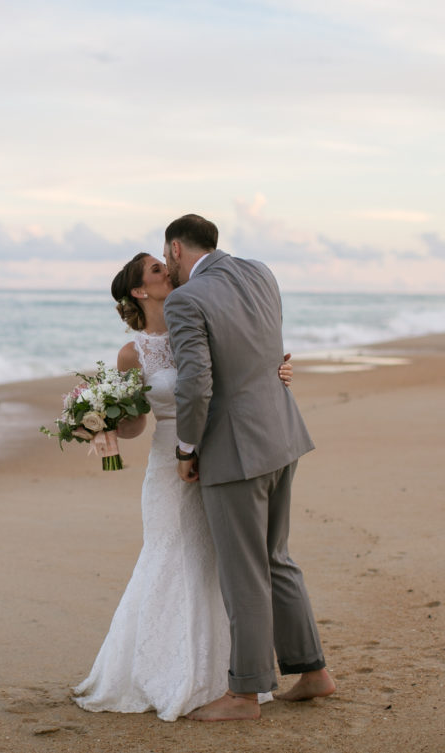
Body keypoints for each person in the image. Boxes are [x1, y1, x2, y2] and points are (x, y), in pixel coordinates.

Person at [72, 252, 294, 721]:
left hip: (215, 454)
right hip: (166, 464)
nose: (167, 272)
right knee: (169, 552)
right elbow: (135, 424)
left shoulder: (201, 321)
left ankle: (223, 678)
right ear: (138, 290)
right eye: (155, 270)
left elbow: (242, 373)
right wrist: (101, 423)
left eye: (164, 264)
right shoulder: (133, 353)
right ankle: (165, 671)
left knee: (215, 560)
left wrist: (281, 373)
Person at [162, 213, 335, 722]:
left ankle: (243, 695)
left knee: (244, 573)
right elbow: (263, 347)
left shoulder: (185, 299)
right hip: (282, 435)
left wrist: (187, 449)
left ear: (175, 249)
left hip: (235, 451)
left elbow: (196, 383)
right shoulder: (261, 271)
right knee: (277, 558)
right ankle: (313, 673)